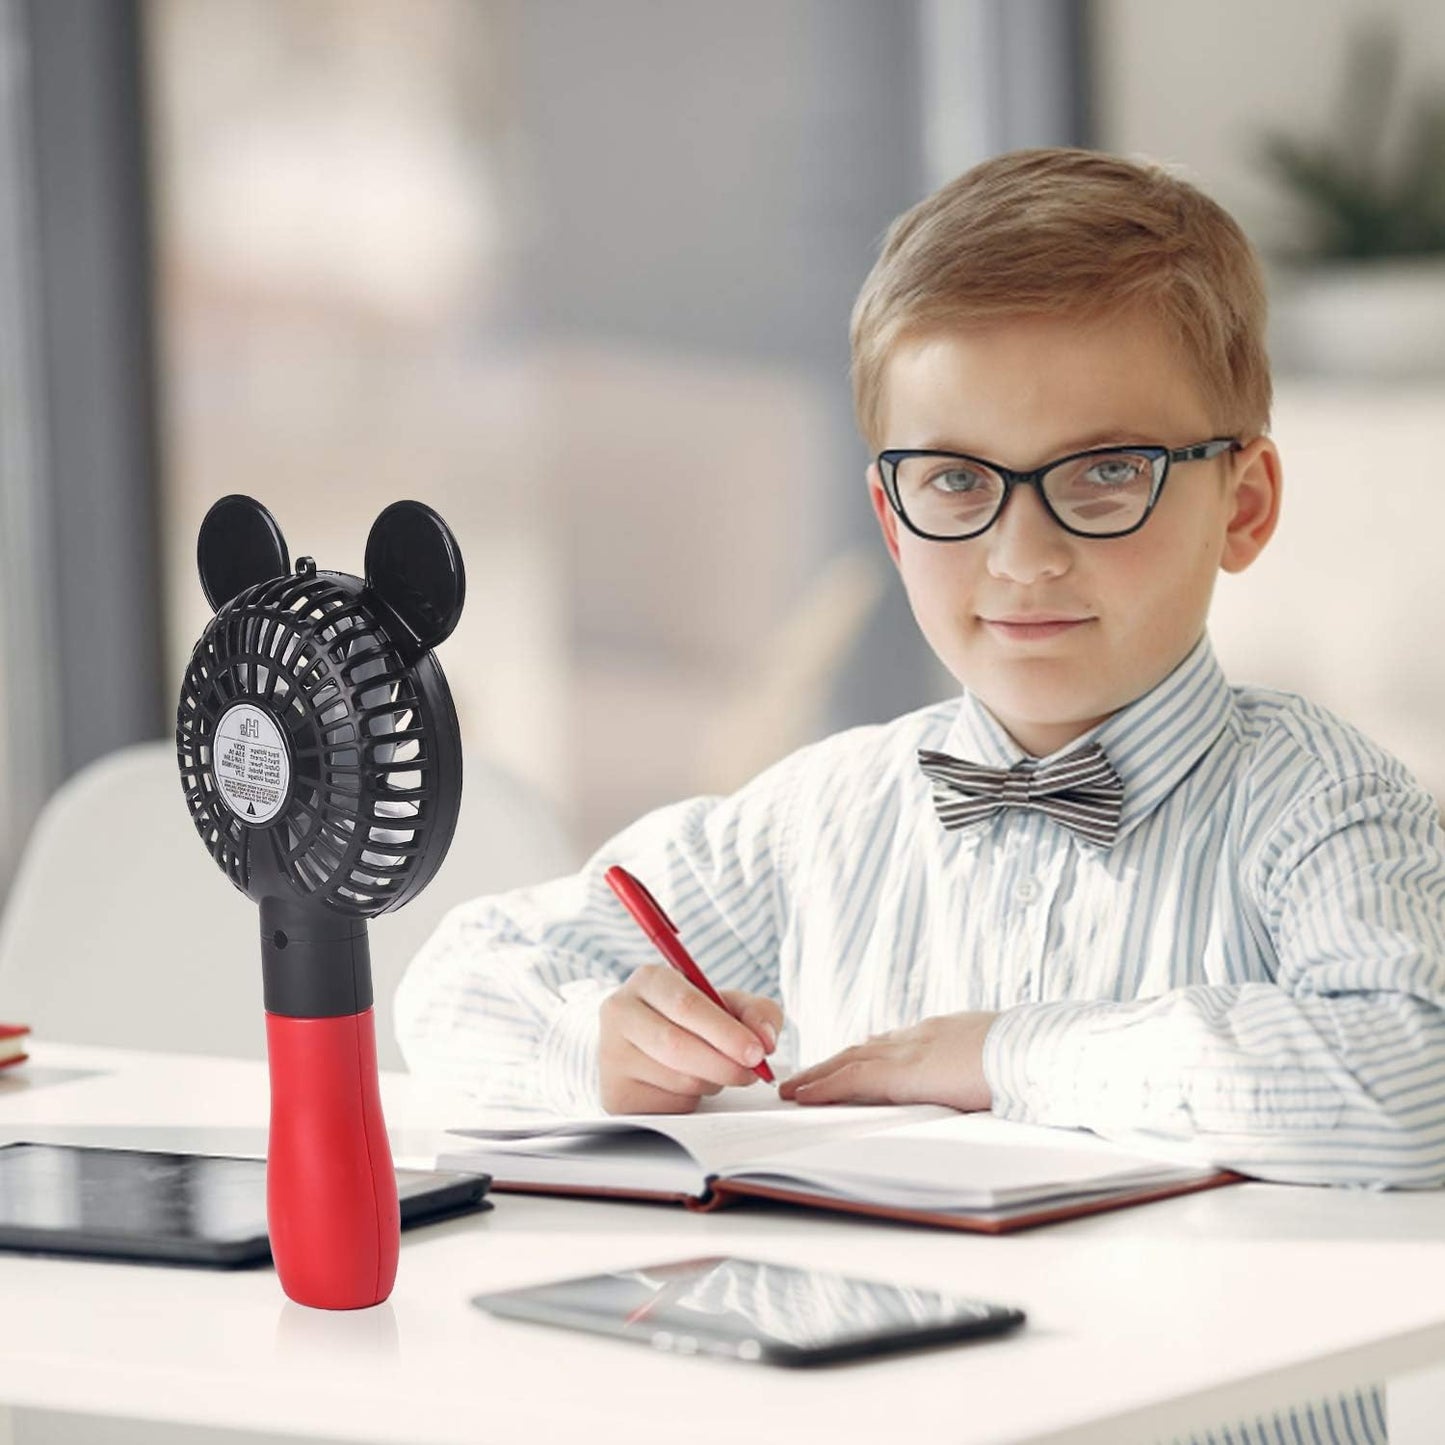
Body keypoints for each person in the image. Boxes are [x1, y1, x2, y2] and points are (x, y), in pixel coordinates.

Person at [398, 147, 1442, 1444]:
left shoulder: (1320, 802)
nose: (1022, 553)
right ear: (891, 518)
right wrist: (591, 1043)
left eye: (1103, 471)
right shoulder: (823, 812)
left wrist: (1002, 1053)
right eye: (954, 480)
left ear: (1244, 501)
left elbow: (1419, 1072)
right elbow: (454, 983)